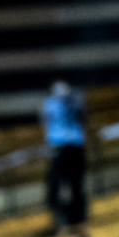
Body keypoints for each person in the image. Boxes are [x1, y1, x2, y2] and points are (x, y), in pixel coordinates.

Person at [42, 80, 86, 228]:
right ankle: (61, 220)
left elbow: (81, 117)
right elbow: (47, 124)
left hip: (73, 147)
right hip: (60, 147)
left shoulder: (75, 100)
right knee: (56, 187)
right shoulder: (50, 104)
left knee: (75, 186)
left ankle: (78, 219)